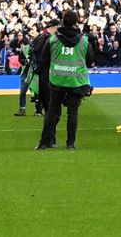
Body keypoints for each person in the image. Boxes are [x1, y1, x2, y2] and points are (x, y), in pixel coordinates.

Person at [36, 11, 97, 151]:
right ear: (76, 22)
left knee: (52, 111)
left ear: (62, 21)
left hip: (57, 80)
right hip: (76, 80)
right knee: (73, 112)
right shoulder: (83, 40)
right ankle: (70, 144)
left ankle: (44, 142)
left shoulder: (53, 39)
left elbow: (44, 60)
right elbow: (90, 60)